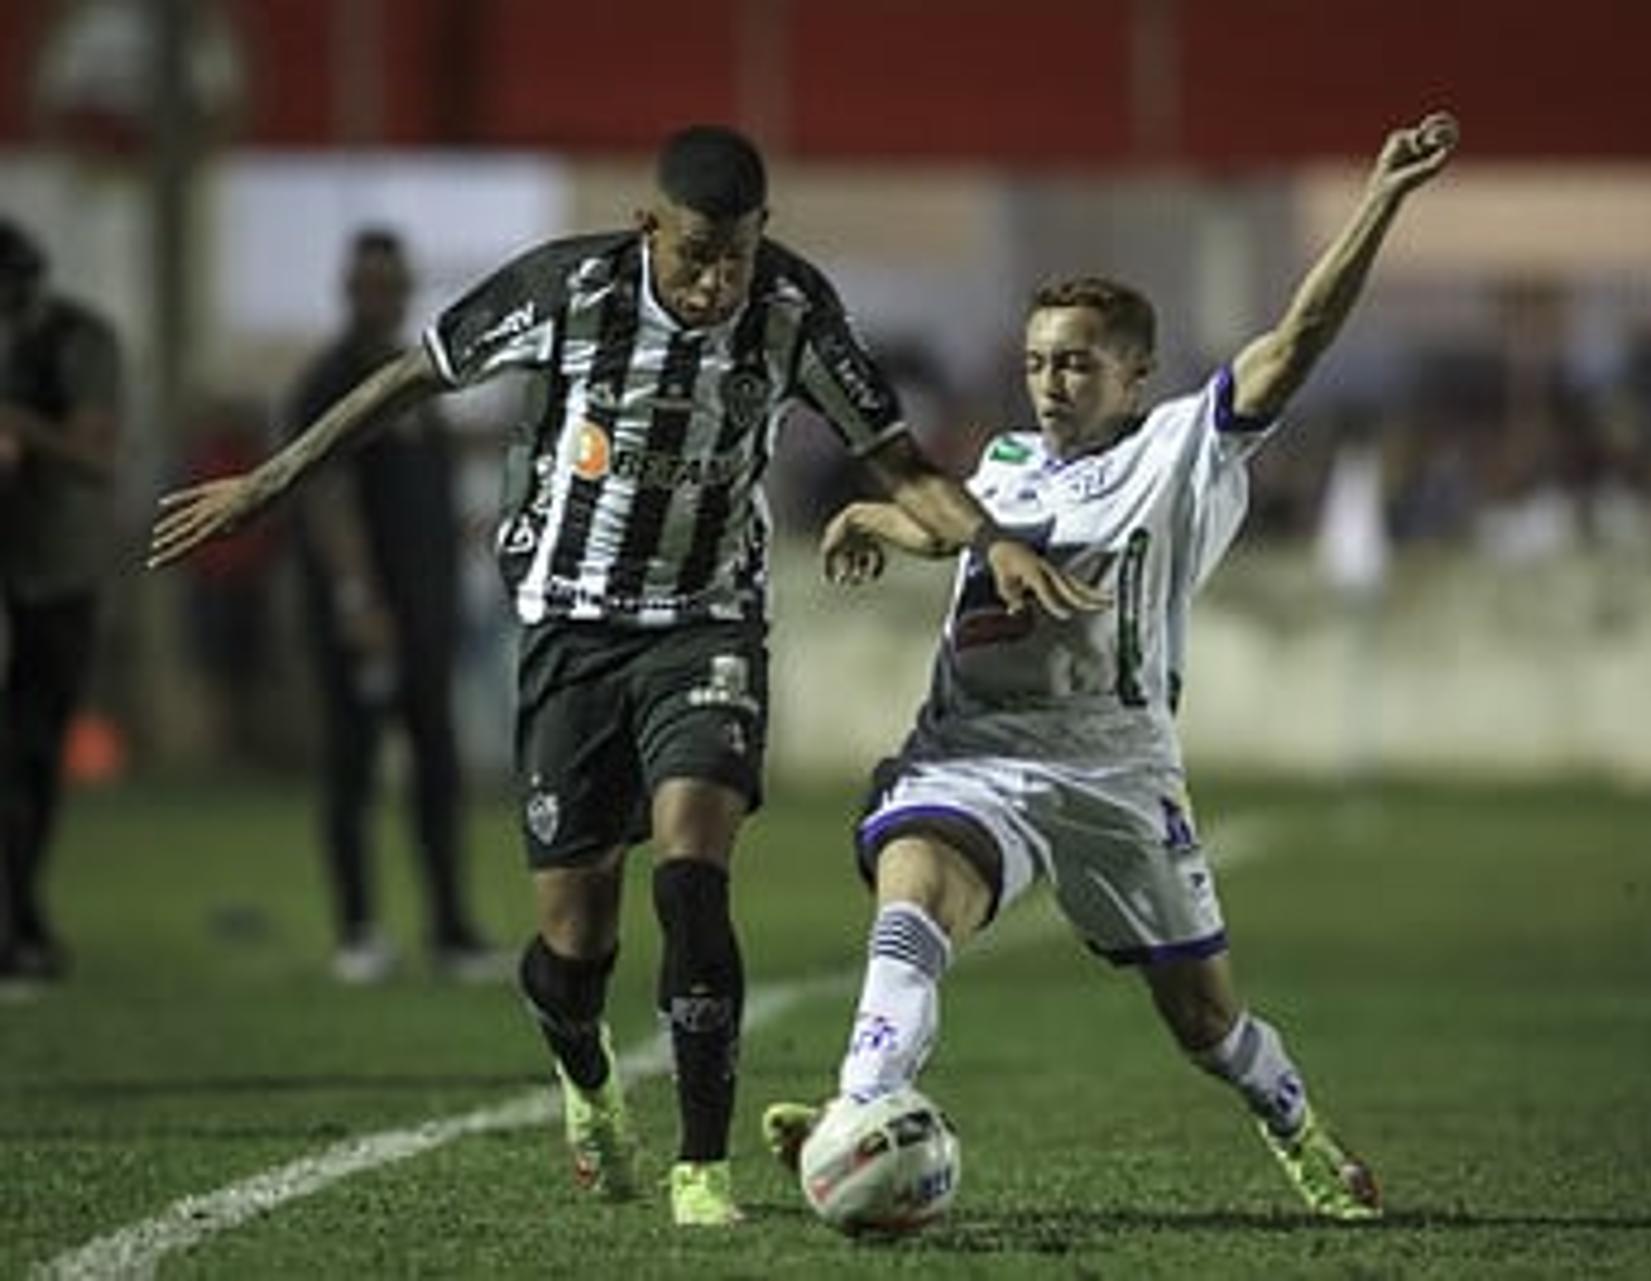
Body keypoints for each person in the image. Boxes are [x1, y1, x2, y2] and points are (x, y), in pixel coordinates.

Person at [148, 125, 1104, 1225]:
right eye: (697, 253)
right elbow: (413, 377)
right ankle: (586, 1070)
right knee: (575, 942)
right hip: (571, 629)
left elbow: (903, 463)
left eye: (737, 254)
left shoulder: (791, 310)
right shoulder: (568, 289)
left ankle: (702, 1168)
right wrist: (268, 481)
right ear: (648, 225)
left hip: (707, 627)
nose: (716, 280)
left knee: (695, 870)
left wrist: (992, 542)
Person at [762, 114, 1458, 1221]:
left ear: (1135, 375)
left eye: (1078, 362)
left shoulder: (1182, 450)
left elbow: (1297, 340)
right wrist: (872, 519)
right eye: (1037, 361)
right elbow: (950, 527)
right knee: (915, 894)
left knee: (1207, 1026)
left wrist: (1377, 201)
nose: (1050, 381)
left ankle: (1295, 1127)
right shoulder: (999, 461)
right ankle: (862, 1106)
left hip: (1114, 775)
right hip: (970, 753)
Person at [287, 229, 497, 984]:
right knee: (352, 768)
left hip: (426, 611)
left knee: (436, 766)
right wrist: (356, 596)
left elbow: (417, 491)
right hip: (364, 616)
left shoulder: (413, 379)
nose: (385, 295)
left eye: (395, 283)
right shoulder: (331, 379)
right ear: (351, 289)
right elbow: (326, 498)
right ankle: (357, 931)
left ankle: (450, 928)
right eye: (372, 283)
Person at [0, 216, 122, 988]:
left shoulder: (75, 340)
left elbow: (94, 450)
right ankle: (15, 920)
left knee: (34, 753)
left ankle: (23, 911)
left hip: (55, 574)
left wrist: (17, 427)